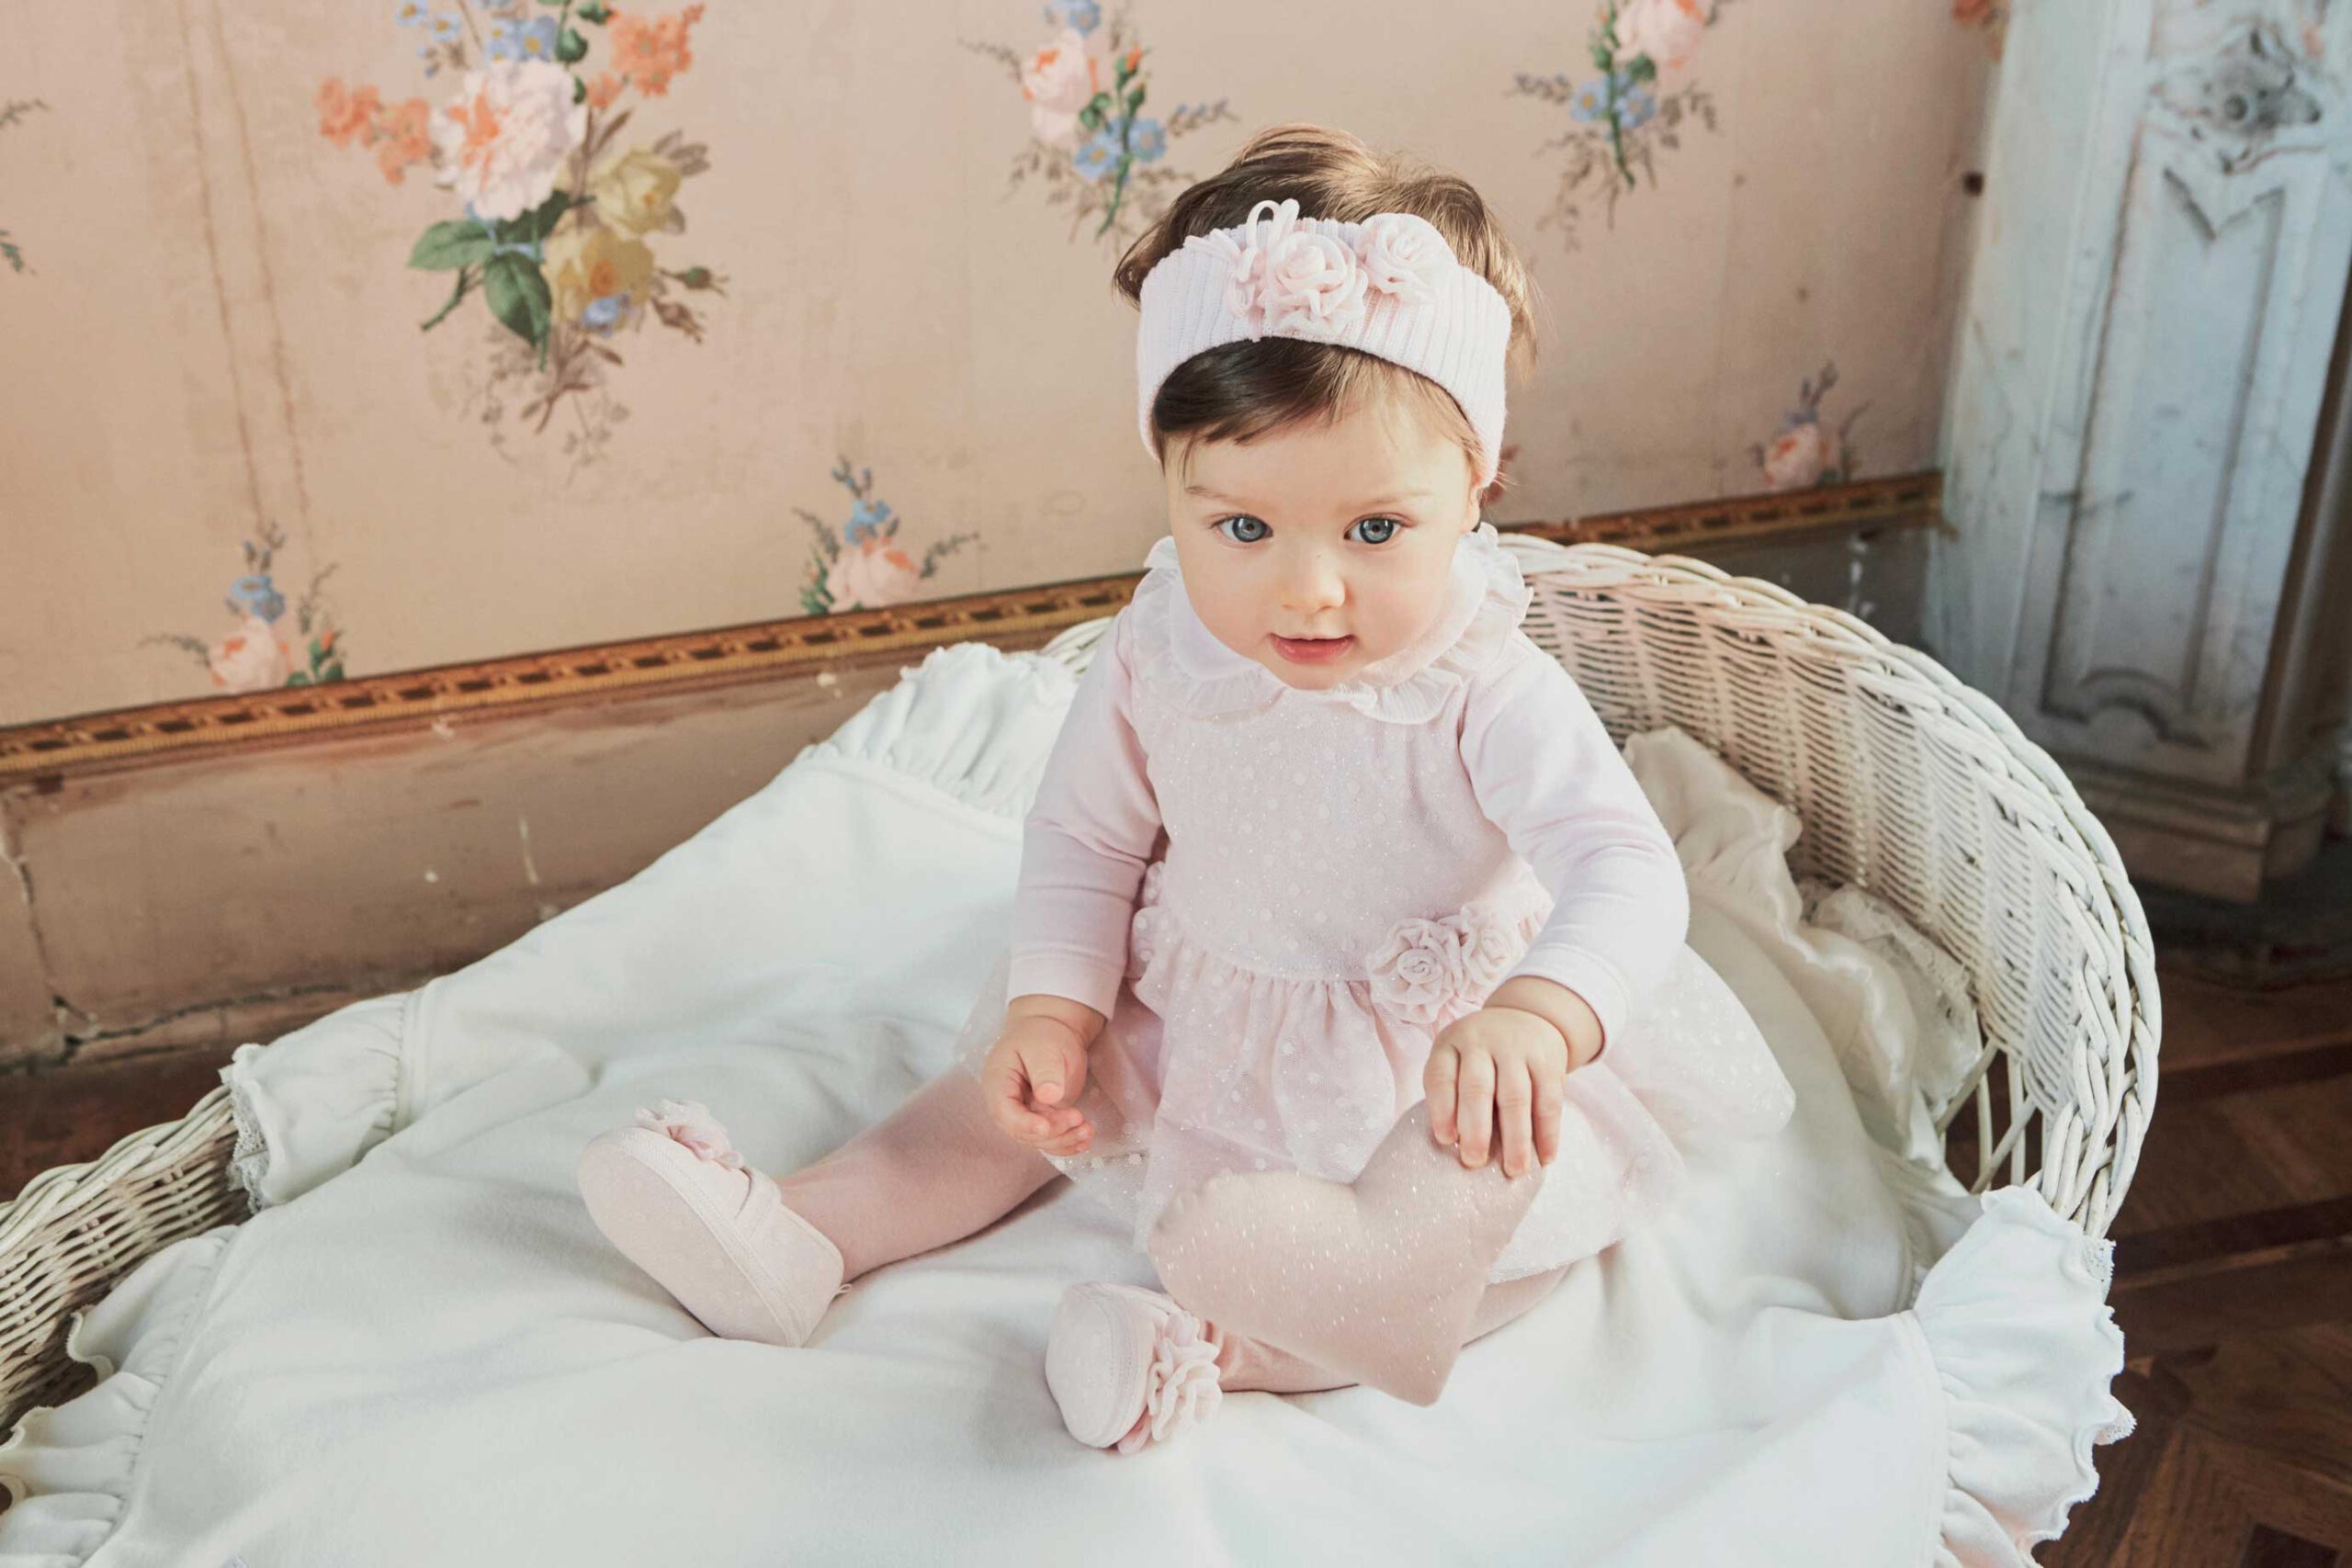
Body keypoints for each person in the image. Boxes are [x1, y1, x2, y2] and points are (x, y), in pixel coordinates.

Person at [577, 122, 1794, 1459]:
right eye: (1243, 527)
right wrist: (1057, 996)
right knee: (1002, 1108)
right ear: (1168, 484)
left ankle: (1205, 1349)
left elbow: (1625, 866)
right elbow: (1086, 834)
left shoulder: (1480, 684)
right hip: (1194, 1000)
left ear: (1476, 488)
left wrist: (1540, 1018)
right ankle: (803, 1229)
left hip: (1425, 1055)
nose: (1308, 589)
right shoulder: (1161, 646)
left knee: (1475, 1218)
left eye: (1376, 529)